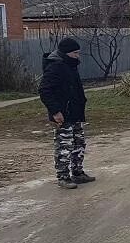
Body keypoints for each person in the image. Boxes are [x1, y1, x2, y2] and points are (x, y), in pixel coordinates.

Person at [39, 37, 94, 190]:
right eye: (75, 53)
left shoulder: (70, 65)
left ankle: (77, 172)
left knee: (78, 143)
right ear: (66, 53)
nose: (78, 56)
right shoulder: (55, 67)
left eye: (78, 52)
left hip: (75, 113)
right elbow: (44, 90)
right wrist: (55, 111)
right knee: (64, 145)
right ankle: (63, 176)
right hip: (62, 114)